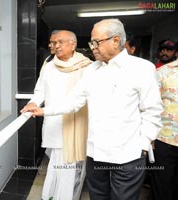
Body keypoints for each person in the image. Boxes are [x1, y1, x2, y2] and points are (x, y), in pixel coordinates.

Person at [23, 19, 163, 200]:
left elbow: (152, 110)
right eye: (91, 42)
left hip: (127, 155)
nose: (93, 47)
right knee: (97, 197)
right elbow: (74, 102)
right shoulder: (91, 71)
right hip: (95, 153)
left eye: (97, 42)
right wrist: (42, 110)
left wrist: (142, 145)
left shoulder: (141, 69)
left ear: (115, 40)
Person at [21, 30, 92, 200]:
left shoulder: (87, 66)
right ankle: (53, 195)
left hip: (76, 124)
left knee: (71, 166)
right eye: (53, 43)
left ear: (73, 44)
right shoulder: (49, 65)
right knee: (56, 163)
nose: (55, 46)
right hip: (53, 123)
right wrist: (33, 102)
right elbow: (40, 90)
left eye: (60, 42)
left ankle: (65, 196)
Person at [150, 52, 178, 200]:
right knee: (162, 183)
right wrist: (150, 137)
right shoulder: (162, 72)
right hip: (166, 139)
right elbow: (151, 106)